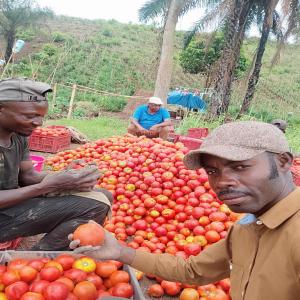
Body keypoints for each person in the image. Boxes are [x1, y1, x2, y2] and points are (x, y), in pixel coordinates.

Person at [71, 121, 300, 300]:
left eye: (240, 167)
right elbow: (193, 271)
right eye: (212, 171)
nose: (222, 182)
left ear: (283, 162)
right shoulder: (247, 228)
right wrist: (120, 252)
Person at [0, 77, 113, 251]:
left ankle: (45, 258)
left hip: (12, 203)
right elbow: (35, 186)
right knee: (95, 206)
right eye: (30, 116)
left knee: (104, 195)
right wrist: (45, 187)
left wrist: (67, 176)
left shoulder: (18, 136)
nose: (39, 123)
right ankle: (33, 261)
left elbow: (28, 175)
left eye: (40, 116)